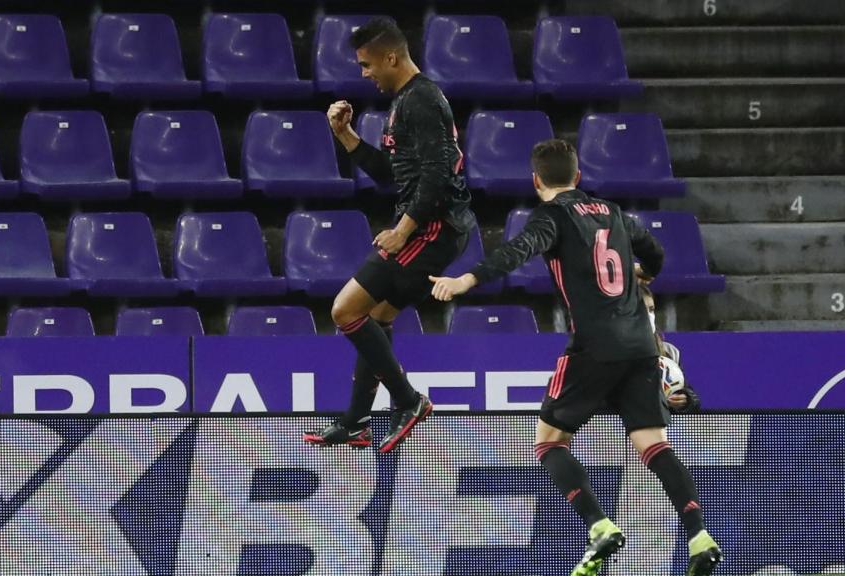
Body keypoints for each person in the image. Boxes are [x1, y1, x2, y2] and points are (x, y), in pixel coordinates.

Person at [429, 139, 721, 576]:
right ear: (578, 177)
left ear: (536, 181)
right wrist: (647, 273)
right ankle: (700, 535)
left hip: (594, 345)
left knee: (548, 441)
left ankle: (600, 526)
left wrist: (466, 279)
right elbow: (655, 252)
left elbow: (516, 252)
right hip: (643, 345)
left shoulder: (552, 216)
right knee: (653, 443)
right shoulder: (614, 213)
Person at [303, 17, 475, 453]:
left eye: (366, 64)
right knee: (376, 316)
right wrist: (345, 136)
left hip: (433, 229)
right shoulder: (405, 101)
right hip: (434, 227)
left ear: (391, 57)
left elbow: (436, 177)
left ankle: (408, 400)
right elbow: (393, 174)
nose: (364, 73)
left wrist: (402, 231)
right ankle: (357, 421)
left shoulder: (422, 100)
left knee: (344, 311)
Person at [640, 283, 701, 414]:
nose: (649, 316)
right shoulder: (608, 352)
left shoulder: (670, 352)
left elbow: (688, 395)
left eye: (651, 309)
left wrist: (686, 399)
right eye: (641, 310)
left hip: (658, 428)